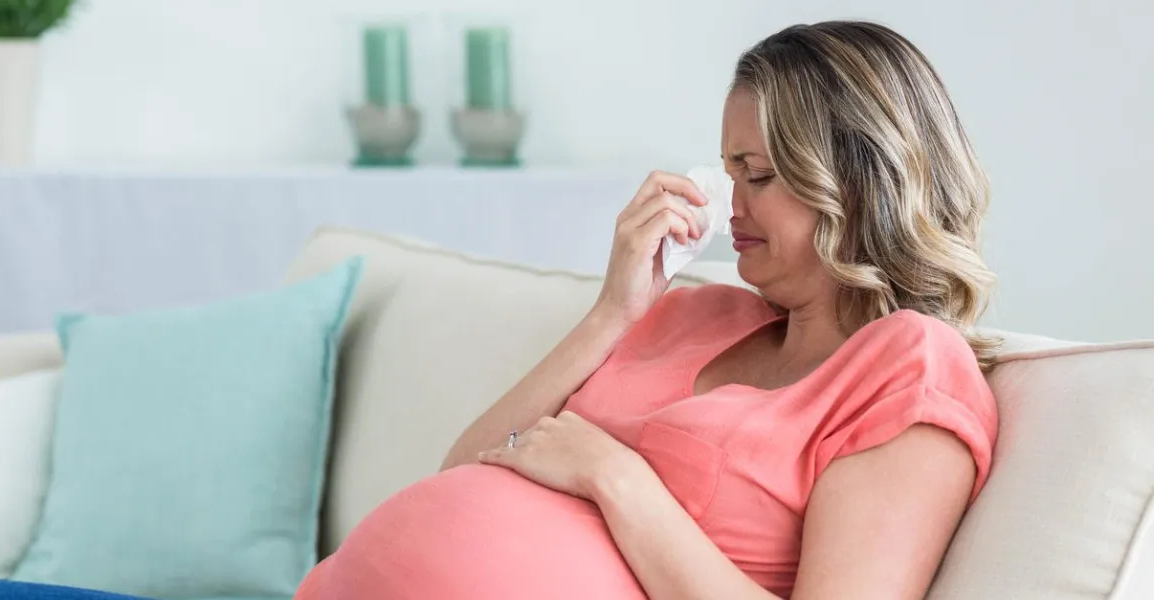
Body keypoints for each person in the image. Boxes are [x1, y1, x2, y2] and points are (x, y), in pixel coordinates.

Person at [295, 19, 999, 600]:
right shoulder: (696, 315)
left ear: (858, 178)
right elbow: (463, 467)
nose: (732, 207)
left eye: (759, 175)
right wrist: (613, 311)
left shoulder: (909, 367)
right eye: (728, 175)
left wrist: (614, 477)